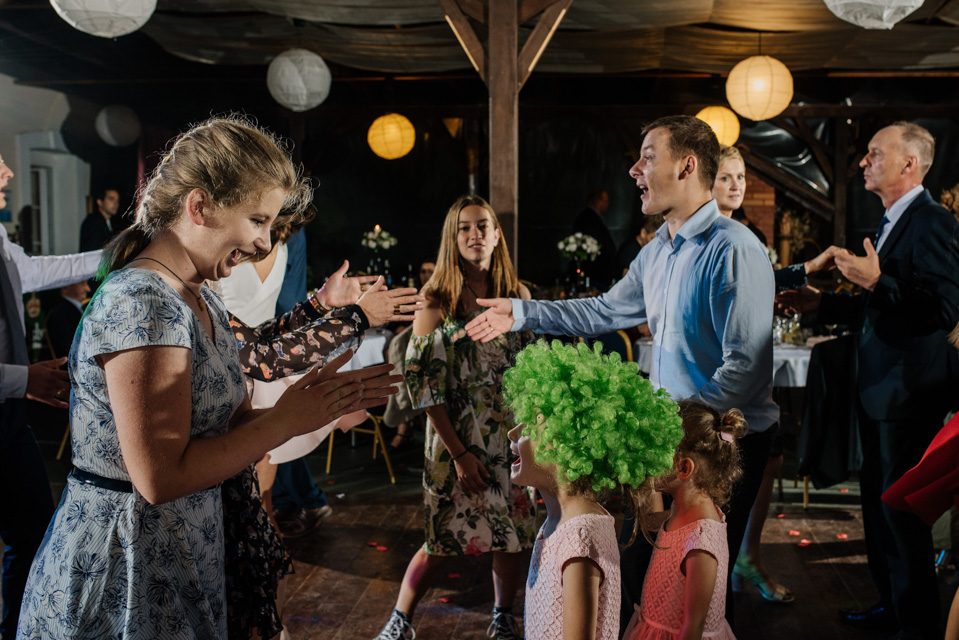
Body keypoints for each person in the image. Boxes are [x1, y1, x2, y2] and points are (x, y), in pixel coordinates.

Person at [16, 116, 405, 640]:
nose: (266, 243)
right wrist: (284, 421)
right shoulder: (144, 302)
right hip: (127, 569)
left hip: (181, 553)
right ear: (199, 206)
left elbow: (223, 425)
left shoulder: (199, 297)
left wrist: (314, 406)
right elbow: (160, 478)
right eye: (258, 220)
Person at [466, 115, 778, 631]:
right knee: (647, 577)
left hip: (719, 442)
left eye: (648, 157)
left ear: (687, 165)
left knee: (693, 591)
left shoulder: (736, 249)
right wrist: (522, 312)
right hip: (670, 437)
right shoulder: (656, 251)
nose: (634, 170)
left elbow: (742, 373)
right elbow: (603, 311)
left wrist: (669, 430)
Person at [777, 121, 959, 639]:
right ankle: (890, 606)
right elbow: (878, 309)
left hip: (909, 393)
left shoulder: (932, 223)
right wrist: (823, 303)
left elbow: (946, 308)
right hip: (880, 389)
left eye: (876, 154)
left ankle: (917, 625)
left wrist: (879, 280)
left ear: (910, 164)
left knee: (900, 517)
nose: (863, 161)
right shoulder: (889, 221)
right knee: (877, 512)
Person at [372, 195, 537, 640]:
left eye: (483, 226)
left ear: (497, 234)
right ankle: (400, 620)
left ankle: (503, 617)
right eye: (465, 228)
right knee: (442, 538)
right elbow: (422, 385)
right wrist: (460, 454)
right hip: (454, 440)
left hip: (508, 437)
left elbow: (530, 369)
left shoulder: (516, 294)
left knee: (513, 534)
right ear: (453, 238)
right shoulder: (437, 300)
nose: (475, 235)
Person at [502, 340, 683, 640]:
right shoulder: (559, 523)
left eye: (531, 425)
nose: (513, 433)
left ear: (569, 443)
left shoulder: (580, 541)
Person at [0, 152, 100, 640]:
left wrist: (120, 252)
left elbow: (36, 271)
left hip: (8, 420)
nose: (8, 173)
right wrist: (24, 379)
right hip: (12, 401)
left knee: (34, 532)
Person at [711, 144, 794, 604]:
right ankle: (718, 585)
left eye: (741, 177)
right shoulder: (707, 236)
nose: (737, 185)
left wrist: (798, 274)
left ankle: (748, 555)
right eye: (726, 177)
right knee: (726, 483)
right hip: (726, 382)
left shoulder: (747, 233)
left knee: (768, 461)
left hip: (753, 385)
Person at [623, 401, 745, 640]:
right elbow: (649, 521)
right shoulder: (681, 508)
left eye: (655, 454)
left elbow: (693, 627)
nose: (647, 460)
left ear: (683, 467)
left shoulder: (701, 542)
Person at [385, 258, 436, 452]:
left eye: (430, 271)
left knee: (397, 349)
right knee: (393, 350)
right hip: (411, 344)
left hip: (427, 348)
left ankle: (404, 423)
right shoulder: (414, 293)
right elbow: (394, 315)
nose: (426, 275)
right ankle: (404, 422)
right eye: (423, 271)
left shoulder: (438, 295)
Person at [573, 189, 617, 289]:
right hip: (595, 273)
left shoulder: (592, 218)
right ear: (598, 201)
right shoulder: (589, 218)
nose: (608, 204)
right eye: (606, 201)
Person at [79, 186, 121, 251]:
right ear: (100, 202)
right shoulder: (95, 222)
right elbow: (92, 252)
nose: (116, 204)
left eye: (117, 200)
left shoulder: (107, 221)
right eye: (111, 199)